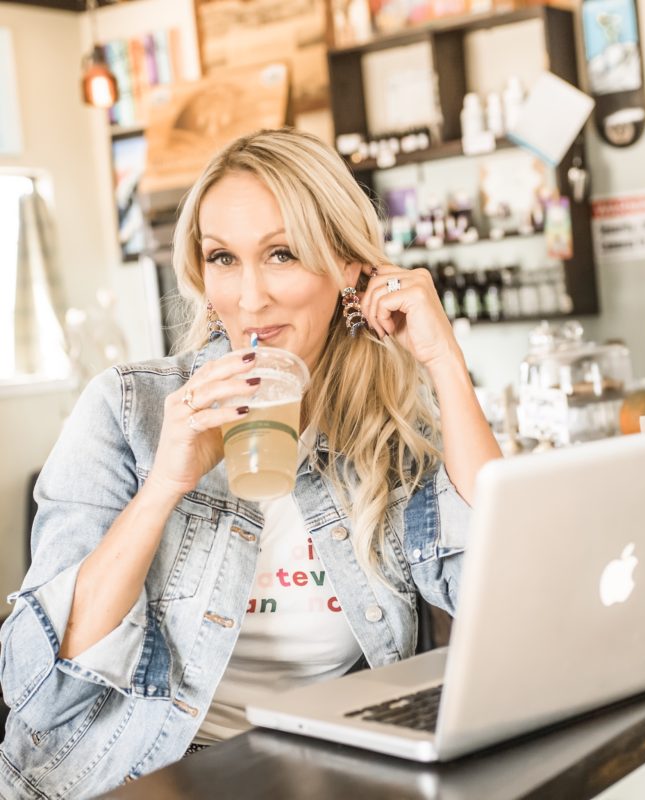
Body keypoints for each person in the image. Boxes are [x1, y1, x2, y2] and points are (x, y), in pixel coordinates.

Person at [0, 128, 501, 798]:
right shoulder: (128, 408)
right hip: (132, 777)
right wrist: (166, 486)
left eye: (282, 253)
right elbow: (39, 686)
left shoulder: (386, 429)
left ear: (349, 267)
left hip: (318, 769)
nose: (249, 298)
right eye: (224, 259)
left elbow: (494, 595)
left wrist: (444, 365)